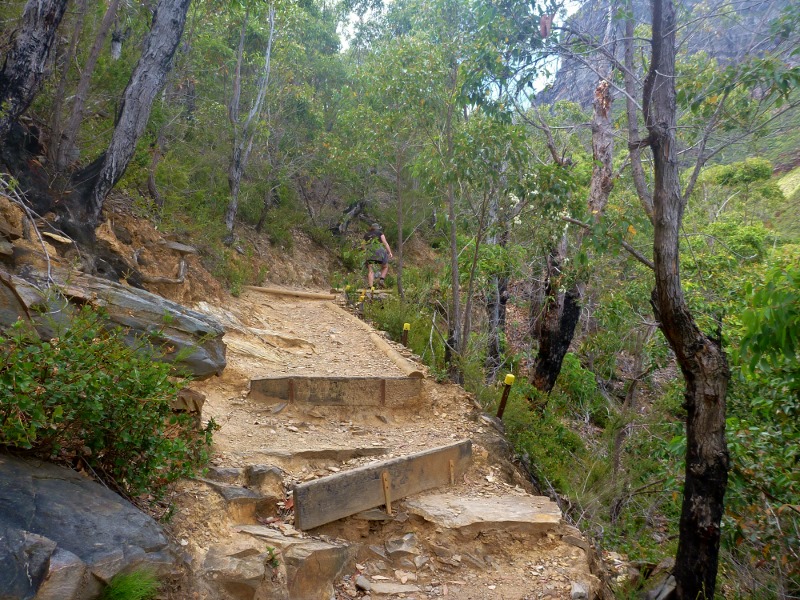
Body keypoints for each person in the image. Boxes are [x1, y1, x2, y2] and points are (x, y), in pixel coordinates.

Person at [363, 222, 393, 288]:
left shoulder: (366, 235)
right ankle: (381, 280)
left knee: (371, 270)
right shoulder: (380, 233)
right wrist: (389, 252)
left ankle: (371, 287)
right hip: (380, 250)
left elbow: (363, 246)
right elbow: (385, 243)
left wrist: (366, 253)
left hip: (370, 251)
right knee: (385, 267)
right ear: (377, 228)